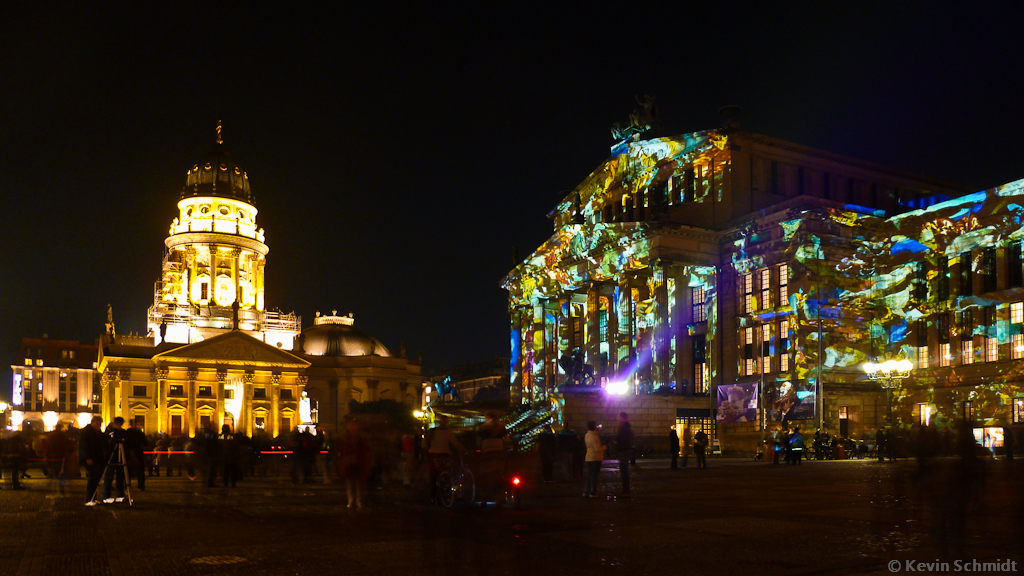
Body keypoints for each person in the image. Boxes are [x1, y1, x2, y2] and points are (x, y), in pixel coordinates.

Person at [423, 415, 465, 504]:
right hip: (445, 454)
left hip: (433, 454)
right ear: (447, 422)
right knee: (449, 469)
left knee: (433, 476)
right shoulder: (449, 433)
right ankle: (448, 486)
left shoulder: (432, 432)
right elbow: (456, 444)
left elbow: (425, 444)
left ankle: (432, 496)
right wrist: (464, 450)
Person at [338, 419, 371, 509]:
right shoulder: (347, 437)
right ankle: (352, 501)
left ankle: (357, 501)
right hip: (350, 463)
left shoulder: (356, 437)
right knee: (351, 484)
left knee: (357, 484)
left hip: (357, 462)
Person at [477, 411, 509, 498]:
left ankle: (484, 498)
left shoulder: (483, 427)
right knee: (499, 472)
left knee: (485, 474)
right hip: (499, 450)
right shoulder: (501, 427)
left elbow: (478, 441)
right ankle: (499, 496)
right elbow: (507, 440)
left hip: (487, 451)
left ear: (487, 417)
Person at [80, 416, 106, 505]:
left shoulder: (97, 432)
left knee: (96, 479)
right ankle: (89, 498)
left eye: (100, 424)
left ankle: (93, 497)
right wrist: (88, 457)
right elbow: (84, 446)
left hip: (97, 458)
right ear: (93, 423)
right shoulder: (86, 432)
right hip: (91, 458)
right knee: (93, 478)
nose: (99, 426)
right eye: (98, 424)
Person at [102, 417, 127, 503]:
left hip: (120, 456)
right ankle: (106, 495)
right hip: (111, 456)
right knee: (109, 477)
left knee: (120, 477)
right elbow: (106, 442)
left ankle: (120, 494)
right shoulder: (110, 432)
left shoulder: (123, 432)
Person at [583, 421, 605, 498]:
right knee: (594, 476)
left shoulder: (587, 435)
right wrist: (604, 447)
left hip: (588, 457)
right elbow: (597, 449)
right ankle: (593, 492)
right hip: (595, 458)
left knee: (590, 475)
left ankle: (586, 491)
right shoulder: (595, 437)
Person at [123, 420, 147, 491]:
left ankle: (127, 485)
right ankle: (141, 485)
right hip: (137, 452)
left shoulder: (127, 432)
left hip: (129, 452)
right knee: (140, 470)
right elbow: (145, 442)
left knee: (128, 471)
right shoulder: (139, 432)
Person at [615, 412, 634, 495]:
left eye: (619, 417)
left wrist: (616, 440)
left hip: (624, 450)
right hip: (624, 449)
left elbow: (623, 438)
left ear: (622, 417)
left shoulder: (625, 426)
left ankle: (626, 490)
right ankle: (625, 490)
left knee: (624, 470)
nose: (618, 418)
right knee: (623, 470)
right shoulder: (625, 426)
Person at [203, 422, 221, 487]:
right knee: (212, 469)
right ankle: (211, 482)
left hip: (208, 453)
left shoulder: (206, 433)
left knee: (210, 468)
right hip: (212, 453)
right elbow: (214, 444)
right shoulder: (212, 434)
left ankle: (209, 481)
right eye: (215, 426)